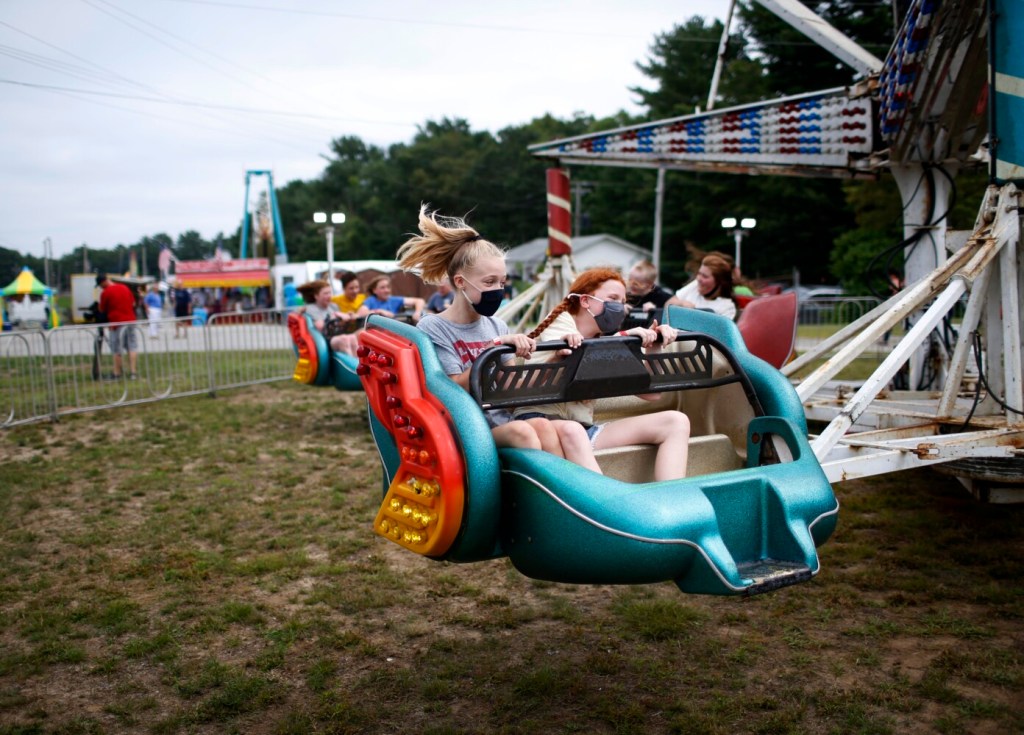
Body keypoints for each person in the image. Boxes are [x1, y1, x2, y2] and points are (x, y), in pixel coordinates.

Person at [395, 205, 596, 465]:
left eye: (501, 283)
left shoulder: (497, 325)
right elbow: (451, 391)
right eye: (489, 283)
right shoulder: (433, 327)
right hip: (465, 429)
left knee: (546, 426)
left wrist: (557, 360)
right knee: (524, 430)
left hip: (500, 422)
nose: (497, 290)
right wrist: (492, 349)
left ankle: (567, 496)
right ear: (460, 282)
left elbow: (511, 393)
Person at [516, 267, 691, 481]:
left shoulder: (603, 341)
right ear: (585, 301)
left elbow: (652, 394)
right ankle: (610, 503)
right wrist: (623, 337)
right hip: (542, 422)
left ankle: (671, 500)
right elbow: (574, 352)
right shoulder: (561, 322)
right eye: (612, 298)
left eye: (622, 301)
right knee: (573, 430)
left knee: (675, 421)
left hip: (583, 429)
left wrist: (654, 345)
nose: (619, 306)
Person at [296, 279, 366, 356]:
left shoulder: (333, 306)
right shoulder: (311, 308)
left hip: (337, 335)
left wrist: (349, 316)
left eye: (330, 293)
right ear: (316, 296)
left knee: (353, 337)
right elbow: (320, 326)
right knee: (344, 339)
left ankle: (357, 363)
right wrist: (335, 316)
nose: (329, 296)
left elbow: (341, 321)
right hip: (323, 341)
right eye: (326, 293)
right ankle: (351, 365)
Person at [668, 254, 738, 320]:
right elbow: (667, 304)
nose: (698, 278)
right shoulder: (695, 285)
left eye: (705, 276)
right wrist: (682, 304)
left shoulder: (727, 307)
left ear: (719, 282)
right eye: (699, 273)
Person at [96, 273, 139, 380]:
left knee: (117, 349)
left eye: (100, 285)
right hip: (131, 321)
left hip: (117, 323)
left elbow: (102, 310)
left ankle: (117, 373)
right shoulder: (124, 287)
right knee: (132, 346)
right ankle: (133, 372)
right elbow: (133, 304)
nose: (101, 287)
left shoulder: (106, 292)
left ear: (103, 282)